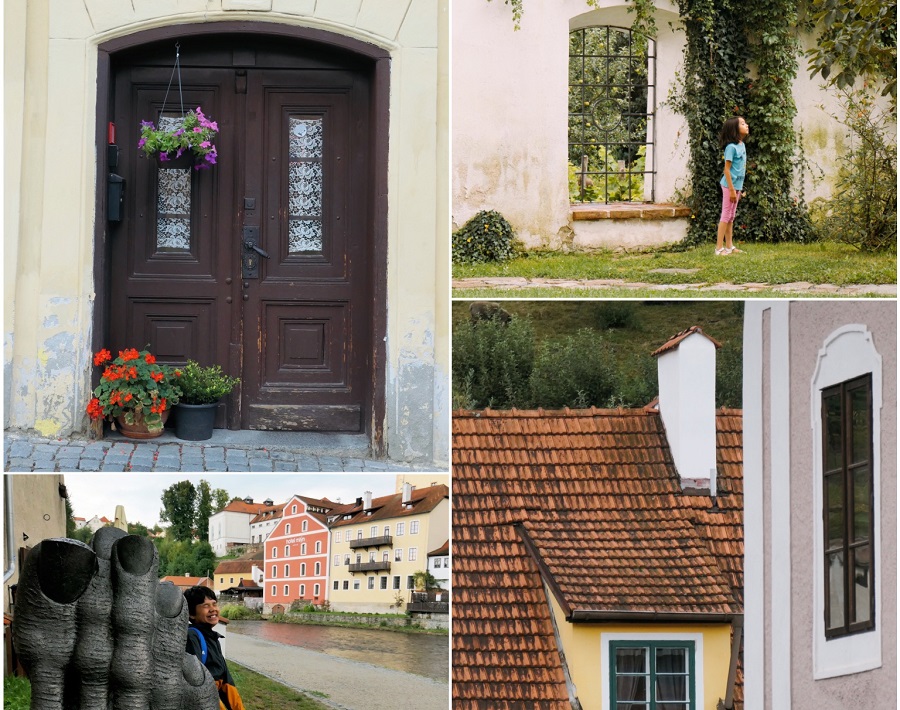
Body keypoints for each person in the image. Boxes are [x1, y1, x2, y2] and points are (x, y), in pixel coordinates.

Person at [184, 586, 246, 710]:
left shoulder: (213, 637)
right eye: (206, 606)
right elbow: (197, 681)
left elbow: (226, 678)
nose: (213, 609)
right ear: (191, 614)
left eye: (214, 604)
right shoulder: (192, 636)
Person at [715, 116, 750, 255]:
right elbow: (727, 170)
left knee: (731, 216)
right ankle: (718, 248)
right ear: (734, 129)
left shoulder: (741, 145)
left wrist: (738, 189)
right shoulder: (731, 148)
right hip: (729, 186)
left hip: (737, 187)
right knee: (725, 216)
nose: (746, 125)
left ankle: (729, 246)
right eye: (742, 123)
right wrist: (731, 190)